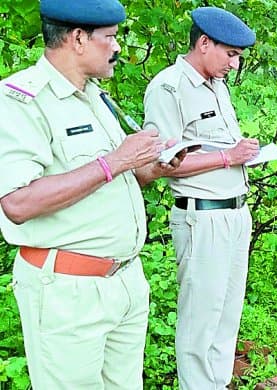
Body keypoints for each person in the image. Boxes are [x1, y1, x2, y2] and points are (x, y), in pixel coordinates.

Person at [0, 0, 184, 387]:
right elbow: (16, 203)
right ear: (79, 39)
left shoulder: (96, 97)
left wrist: (151, 168)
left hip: (125, 282)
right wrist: (115, 161)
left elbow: (111, 181)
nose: (117, 48)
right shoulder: (21, 100)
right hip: (68, 294)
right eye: (111, 38)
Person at [142, 6, 260, 389]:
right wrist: (228, 157)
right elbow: (163, 162)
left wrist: (243, 154)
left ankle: (218, 382)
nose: (234, 63)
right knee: (201, 318)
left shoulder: (217, 86)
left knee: (227, 312)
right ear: (204, 43)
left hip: (235, 212)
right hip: (201, 217)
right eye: (230, 54)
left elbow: (215, 149)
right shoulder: (169, 87)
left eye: (238, 56)